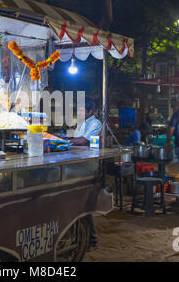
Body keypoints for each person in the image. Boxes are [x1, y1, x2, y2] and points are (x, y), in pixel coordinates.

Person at [68, 97, 101, 253]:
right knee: (77, 204)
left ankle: (92, 240)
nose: (79, 113)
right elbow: (75, 139)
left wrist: (65, 141)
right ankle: (81, 237)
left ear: (90, 111)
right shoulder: (81, 123)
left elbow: (82, 141)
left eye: (82, 110)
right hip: (77, 165)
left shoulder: (96, 123)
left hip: (88, 168)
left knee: (84, 205)